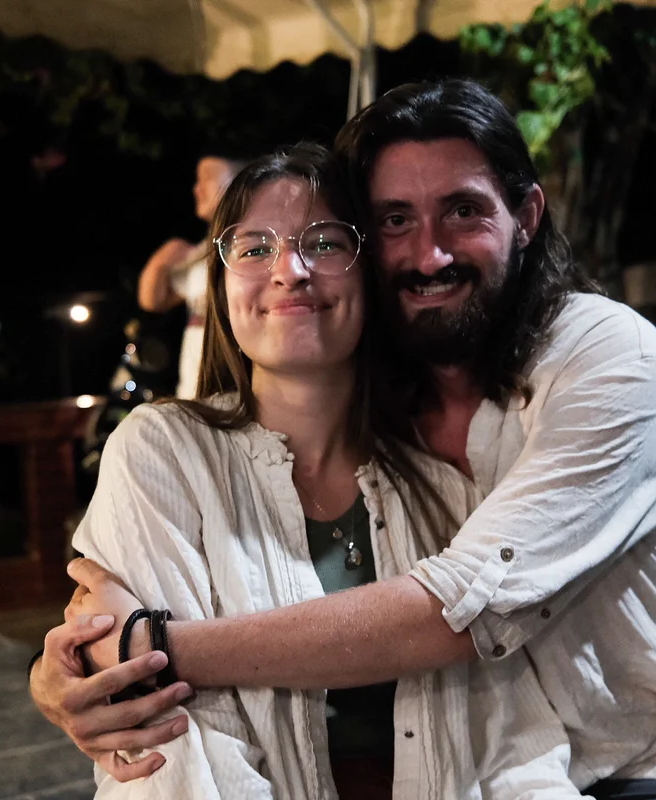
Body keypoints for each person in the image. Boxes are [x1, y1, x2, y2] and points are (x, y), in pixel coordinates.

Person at [32, 79, 656, 800]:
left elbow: (461, 609)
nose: (429, 254)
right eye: (395, 220)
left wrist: (153, 649)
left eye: (462, 211)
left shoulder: (603, 355)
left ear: (525, 215)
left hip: (651, 761)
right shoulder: (379, 399)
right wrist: (71, 665)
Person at [66, 142, 586, 799]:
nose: (291, 270)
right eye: (254, 247)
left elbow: (506, 731)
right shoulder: (163, 451)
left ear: (369, 273)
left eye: (326, 242)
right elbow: (179, 746)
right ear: (222, 285)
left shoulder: (443, 472)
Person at [137, 152, 248, 399]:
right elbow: (152, 301)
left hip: (236, 395)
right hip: (193, 394)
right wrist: (159, 264)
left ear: (235, 184)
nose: (196, 188)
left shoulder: (253, 247)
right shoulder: (201, 253)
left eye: (206, 178)